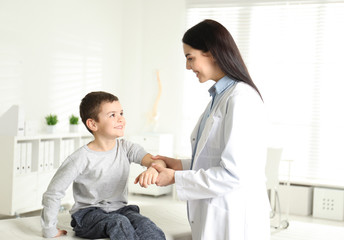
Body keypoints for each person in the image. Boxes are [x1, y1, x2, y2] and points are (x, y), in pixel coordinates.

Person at [151, 19, 270, 240]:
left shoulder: (240, 98)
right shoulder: (219, 96)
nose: (187, 67)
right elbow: (217, 157)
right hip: (219, 214)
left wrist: (176, 177)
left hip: (234, 219)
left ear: (212, 53)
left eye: (190, 58)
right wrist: (180, 164)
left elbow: (234, 173)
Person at [41, 91, 166, 240]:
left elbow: (158, 161)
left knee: (146, 224)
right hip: (87, 215)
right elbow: (54, 192)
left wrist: (153, 168)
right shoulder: (80, 158)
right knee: (119, 223)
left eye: (121, 113)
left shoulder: (127, 148)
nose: (121, 119)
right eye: (112, 115)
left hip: (120, 210)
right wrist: (49, 229)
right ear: (93, 124)